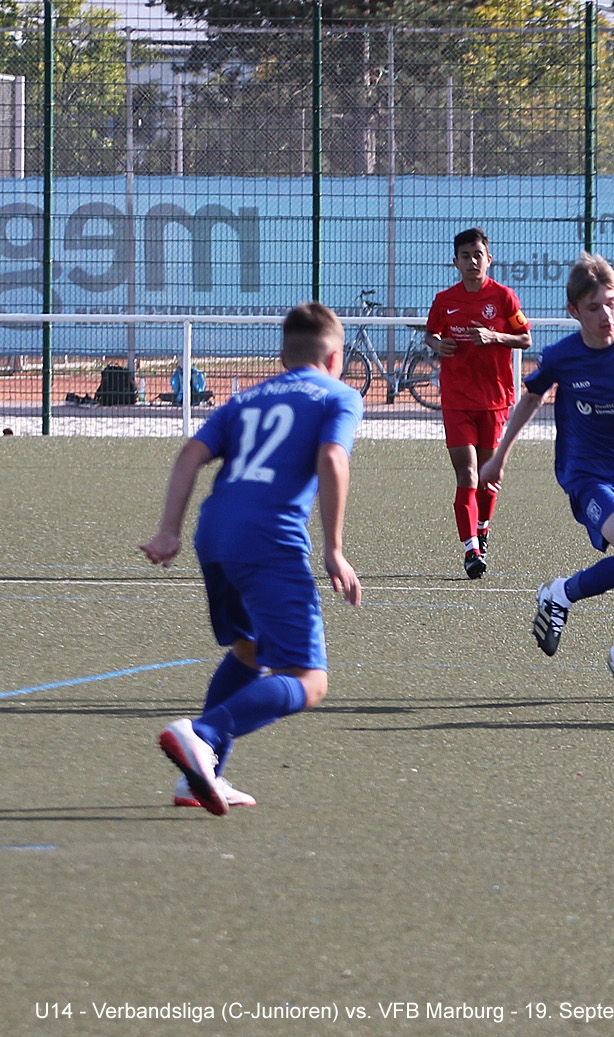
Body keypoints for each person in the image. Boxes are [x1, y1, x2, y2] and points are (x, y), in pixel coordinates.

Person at [139, 303, 363, 816]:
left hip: (214, 533)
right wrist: (334, 549)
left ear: (283, 356)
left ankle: (199, 775)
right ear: (335, 358)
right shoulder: (340, 395)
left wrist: (168, 530)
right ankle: (203, 735)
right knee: (310, 680)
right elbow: (332, 458)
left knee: (249, 648)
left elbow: (191, 454)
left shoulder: (247, 398)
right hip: (270, 539)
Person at [479, 254, 614, 704]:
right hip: (588, 475)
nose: (606, 315)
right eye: (595, 307)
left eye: (612, 303)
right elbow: (530, 399)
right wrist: (499, 456)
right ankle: (559, 594)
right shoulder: (562, 355)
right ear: (574, 311)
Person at [424, 227, 533, 579]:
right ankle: (471, 548)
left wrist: (494, 336)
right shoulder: (445, 300)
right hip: (457, 398)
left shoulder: (503, 297)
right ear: (454, 261)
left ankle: (483, 526)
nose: (472, 261)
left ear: (489, 259)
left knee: (487, 477)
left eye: (478, 255)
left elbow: (525, 338)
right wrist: (437, 345)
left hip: (496, 398)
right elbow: (432, 333)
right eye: (465, 255)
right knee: (466, 473)